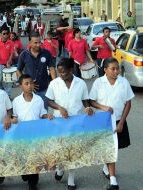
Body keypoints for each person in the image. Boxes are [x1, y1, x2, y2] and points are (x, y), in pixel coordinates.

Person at [45, 57, 93, 190]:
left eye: (64, 72)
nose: (61, 74)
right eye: (59, 72)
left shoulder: (81, 83)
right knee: (60, 149)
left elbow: (85, 100)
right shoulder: (54, 83)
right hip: (59, 122)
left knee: (73, 151)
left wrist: (88, 108)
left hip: (75, 122)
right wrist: (59, 107)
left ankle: (71, 179)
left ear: (71, 70)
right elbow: (49, 100)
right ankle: (60, 168)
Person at [89, 57, 134, 190]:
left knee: (115, 148)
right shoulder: (98, 82)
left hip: (118, 121)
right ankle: (113, 180)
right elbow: (91, 101)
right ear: (105, 70)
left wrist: (121, 123)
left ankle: (106, 167)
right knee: (110, 149)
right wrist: (103, 107)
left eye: (117, 68)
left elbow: (128, 103)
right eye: (113, 69)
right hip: (103, 122)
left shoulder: (123, 82)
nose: (116, 71)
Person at [12, 74, 54, 190]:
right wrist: (13, 119)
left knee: (35, 159)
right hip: (22, 136)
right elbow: (14, 116)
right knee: (24, 158)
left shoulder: (39, 99)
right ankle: (25, 174)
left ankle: (33, 183)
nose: (30, 86)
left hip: (35, 135)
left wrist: (47, 116)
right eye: (26, 84)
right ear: (21, 86)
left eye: (31, 83)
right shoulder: (16, 101)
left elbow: (42, 113)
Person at [17, 32, 56, 110]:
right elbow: (18, 70)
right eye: (35, 43)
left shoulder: (46, 53)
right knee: (31, 112)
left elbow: (52, 69)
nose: (38, 45)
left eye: (39, 42)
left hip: (44, 89)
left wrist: (55, 84)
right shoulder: (24, 54)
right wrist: (26, 84)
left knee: (44, 112)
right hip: (29, 92)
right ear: (30, 43)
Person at [0, 24, 14, 97]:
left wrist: (9, 61)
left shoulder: (11, 42)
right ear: (0, 34)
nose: (5, 35)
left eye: (7, 33)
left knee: (9, 81)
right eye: (4, 33)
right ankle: (2, 93)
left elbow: (11, 53)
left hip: (8, 65)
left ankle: (8, 95)